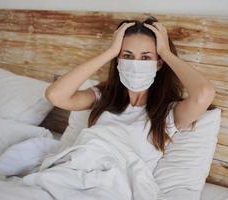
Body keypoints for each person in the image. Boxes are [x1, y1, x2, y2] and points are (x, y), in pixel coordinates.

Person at [45, 16, 216, 172]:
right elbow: (55, 95)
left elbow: (204, 93)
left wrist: (165, 52)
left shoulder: (168, 113)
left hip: (114, 185)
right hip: (73, 169)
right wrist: (111, 52)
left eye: (145, 58)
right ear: (118, 61)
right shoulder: (104, 96)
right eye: (127, 56)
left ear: (158, 64)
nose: (135, 64)